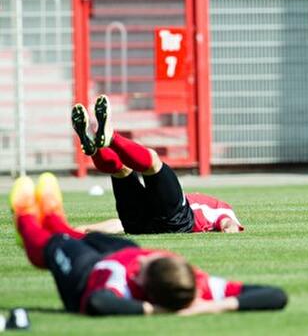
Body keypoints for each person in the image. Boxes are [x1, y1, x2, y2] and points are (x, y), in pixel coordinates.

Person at [7, 174, 287, 316]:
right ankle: (56, 219)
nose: (145, 257)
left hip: (85, 274)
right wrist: (206, 307)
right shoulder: (197, 284)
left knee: (56, 245)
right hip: (121, 255)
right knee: (122, 242)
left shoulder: (117, 282)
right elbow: (276, 296)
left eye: (144, 266)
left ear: (144, 287)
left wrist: (153, 310)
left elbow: (98, 302)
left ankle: (26, 219)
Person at [71, 95, 242, 234]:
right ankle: (97, 148)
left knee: (151, 162)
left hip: (174, 222)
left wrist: (230, 229)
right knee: (121, 171)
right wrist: (86, 229)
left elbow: (229, 222)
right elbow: (120, 225)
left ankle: (107, 141)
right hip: (139, 226)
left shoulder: (221, 207)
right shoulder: (187, 203)